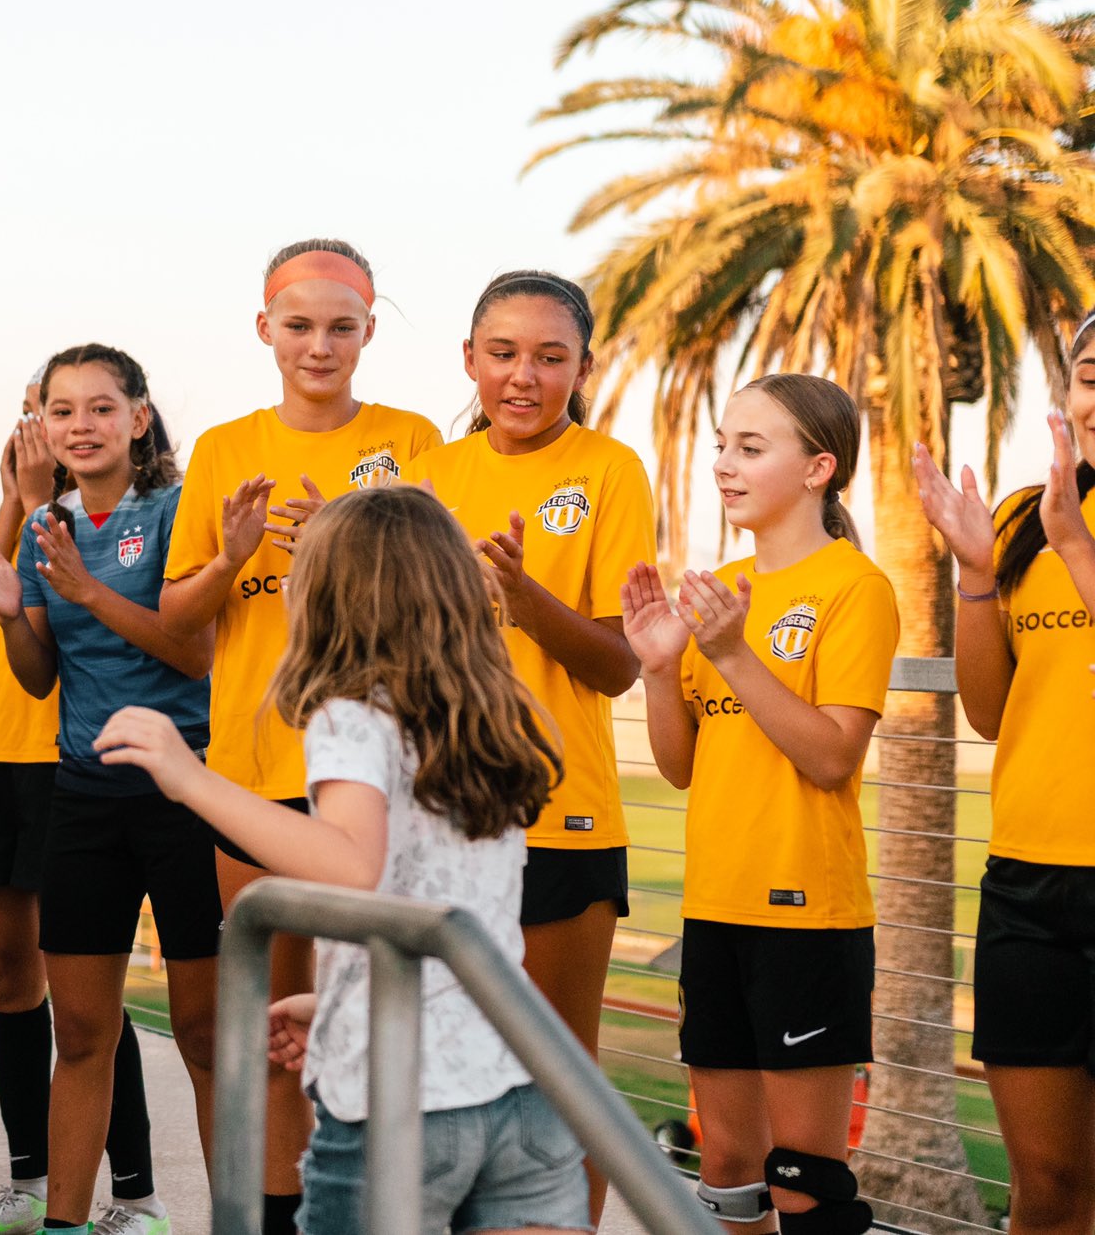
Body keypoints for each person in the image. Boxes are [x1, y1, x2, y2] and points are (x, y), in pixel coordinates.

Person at [95, 482, 586, 1235]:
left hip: (398, 1102)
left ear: (334, 601)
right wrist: (338, 1003)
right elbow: (442, 902)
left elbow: (353, 865)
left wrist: (190, 779)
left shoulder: (353, 715)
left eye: (304, 574)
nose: (288, 586)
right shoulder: (488, 714)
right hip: (517, 1084)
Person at [157, 237, 440, 1234]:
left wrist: (343, 546)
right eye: (298, 324)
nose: (318, 346)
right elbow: (180, 620)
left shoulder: (411, 440)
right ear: (263, 328)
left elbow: (436, 608)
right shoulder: (224, 450)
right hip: (254, 768)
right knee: (273, 1026)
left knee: (367, 1024)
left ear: (367, 330)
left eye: (340, 326)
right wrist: (233, 554)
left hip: (376, 783)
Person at [0, 344, 214, 1235]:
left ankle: (238, 1218)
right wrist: (14, 606)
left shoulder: (177, 509)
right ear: (44, 428)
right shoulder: (41, 524)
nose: (82, 426)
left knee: (206, 1036)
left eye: (102, 408)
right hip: (83, 795)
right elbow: (35, 673)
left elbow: (194, 651)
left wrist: (85, 591)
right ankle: (64, 1225)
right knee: (82, 1034)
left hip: (185, 792)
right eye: (64, 412)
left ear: (140, 417)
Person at [406, 270, 653, 1220]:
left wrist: (523, 595)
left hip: (563, 815)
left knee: (557, 1073)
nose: (523, 376)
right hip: (441, 817)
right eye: (503, 353)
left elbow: (619, 663)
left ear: (585, 367)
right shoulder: (433, 471)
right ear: (469, 360)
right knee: (443, 1068)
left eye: (551, 357)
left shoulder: (609, 470)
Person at [624, 374, 895, 1235]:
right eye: (721, 445)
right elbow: (679, 767)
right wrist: (663, 666)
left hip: (807, 919)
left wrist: (735, 654)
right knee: (731, 1171)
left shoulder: (855, 588)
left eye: (750, 448)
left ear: (820, 467)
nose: (724, 466)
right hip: (715, 908)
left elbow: (831, 757)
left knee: (803, 1179)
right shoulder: (720, 590)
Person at [913, 316, 1095, 1235]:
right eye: (1091, 376)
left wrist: (1078, 553)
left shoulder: (1060, 530)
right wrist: (976, 573)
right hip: (1030, 886)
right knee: (1050, 1189)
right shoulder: (1029, 516)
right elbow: (989, 712)